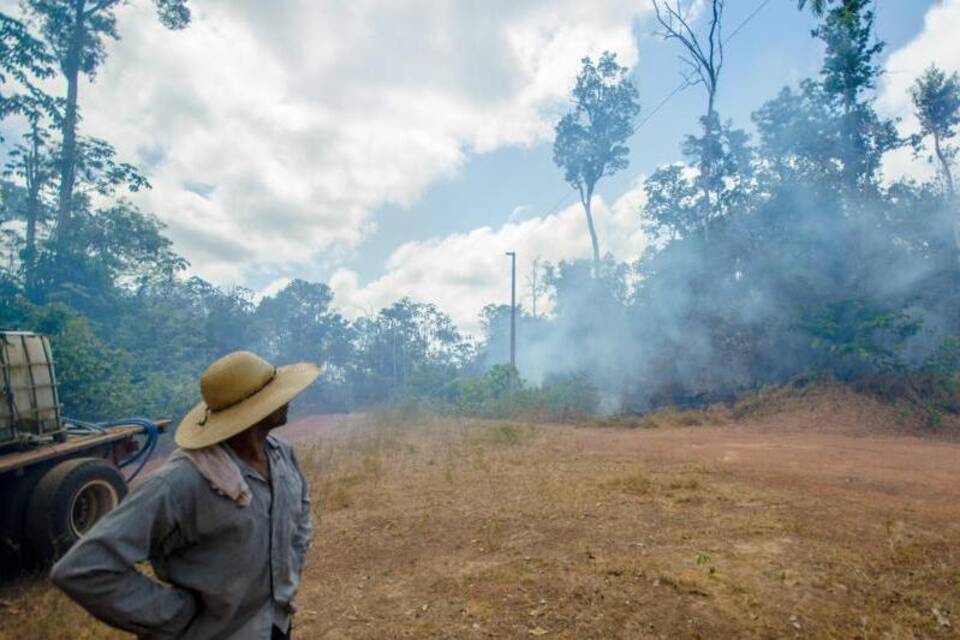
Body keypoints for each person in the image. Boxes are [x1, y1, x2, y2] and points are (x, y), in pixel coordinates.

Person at [51, 351, 319, 639]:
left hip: (274, 625)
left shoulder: (281, 455)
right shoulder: (180, 482)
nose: (287, 398)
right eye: (276, 394)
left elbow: (301, 512)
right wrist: (175, 616)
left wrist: (289, 568)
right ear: (254, 410)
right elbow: (83, 568)